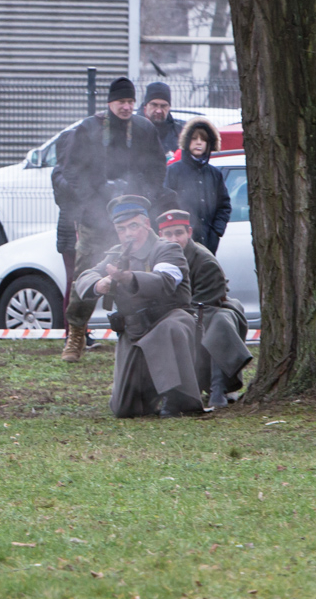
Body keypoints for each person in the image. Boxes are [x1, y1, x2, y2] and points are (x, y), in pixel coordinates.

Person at [51, 77, 166, 361]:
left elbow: (157, 168)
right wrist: (93, 202)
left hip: (134, 215)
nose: (126, 107)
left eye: (130, 102)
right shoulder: (89, 128)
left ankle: (149, 334)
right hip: (95, 218)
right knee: (87, 273)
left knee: (144, 271)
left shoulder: (144, 129)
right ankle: (76, 335)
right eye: (121, 102)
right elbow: (71, 171)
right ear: (109, 103)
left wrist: (144, 198)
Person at [72, 195, 202, 418]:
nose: (128, 234)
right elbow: (85, 276)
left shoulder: (167, 248)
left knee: (170, 327)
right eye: (121, 229)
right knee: (124, 408)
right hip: (135, 331)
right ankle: (151, 396)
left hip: (168, 321)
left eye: (133, 226)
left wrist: (129, 277)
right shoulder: (115, 254)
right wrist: (98, 284)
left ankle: (177, 397)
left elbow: (164, 281)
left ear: (147, 224)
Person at [157, 209, 251, 409]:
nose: (174, 239)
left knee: (218, 323)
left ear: (189, 232)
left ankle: (219, 388)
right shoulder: (157, 256)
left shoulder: (204, 260)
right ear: (160, 236)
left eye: (179, 233)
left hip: (209, 309)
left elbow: (206, 304)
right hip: (178, 314)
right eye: (168, 234)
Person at [164, 118, 230, 253]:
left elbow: (224, 206)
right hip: (180, 243)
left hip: (208, 243)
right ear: (187, 141)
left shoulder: (215, 174)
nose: (199, 142)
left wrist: (216, 231)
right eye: (194, 138)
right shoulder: (173, 171)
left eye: (203, 139)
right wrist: (175, 233)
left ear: (209, 144)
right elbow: (165, 203)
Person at [142, 81, 185, 157]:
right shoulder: (131, 129)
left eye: (163, 106)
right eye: (154, 105)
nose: (159, 111)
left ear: (169, 107)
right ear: (145, 106)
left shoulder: (180, 133)